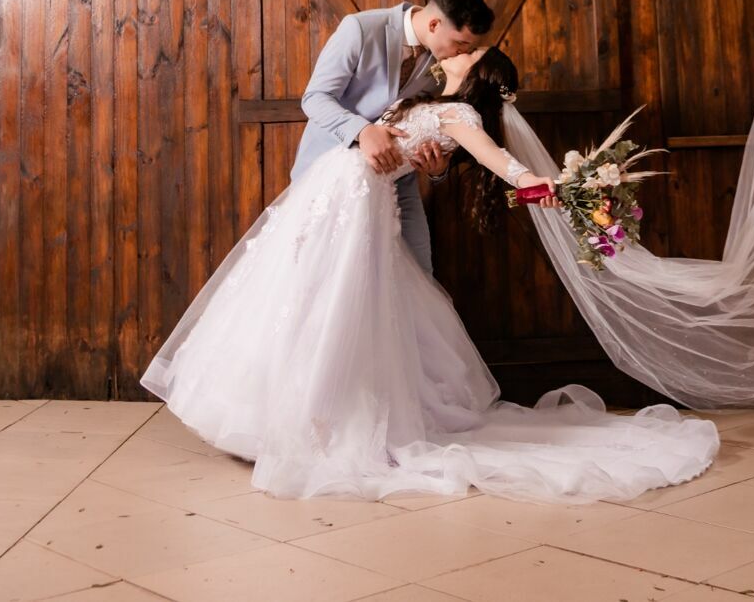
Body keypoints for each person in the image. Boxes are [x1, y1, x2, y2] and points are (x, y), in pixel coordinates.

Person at [141, 44, 721, 503]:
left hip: (357, 208)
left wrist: (557, 190)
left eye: (467, 50)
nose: (454, 51)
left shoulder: (460, 112)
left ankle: (318, 425)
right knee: (297, 302)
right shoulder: (419, 93)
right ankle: (276, 417)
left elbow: (503, 164)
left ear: (476, 71)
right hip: (329, 197)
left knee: (336, 309)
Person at [292, 0, 494, 274]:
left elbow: (434, 123)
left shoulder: (448, 66)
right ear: (435, 24)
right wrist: (362, 131)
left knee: (419, 271)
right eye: (460, 43)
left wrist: (437, 172)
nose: (462, 53)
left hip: (399, 185)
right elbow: (315, 98)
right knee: (329, 278)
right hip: (334, 177)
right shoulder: (360, 29)